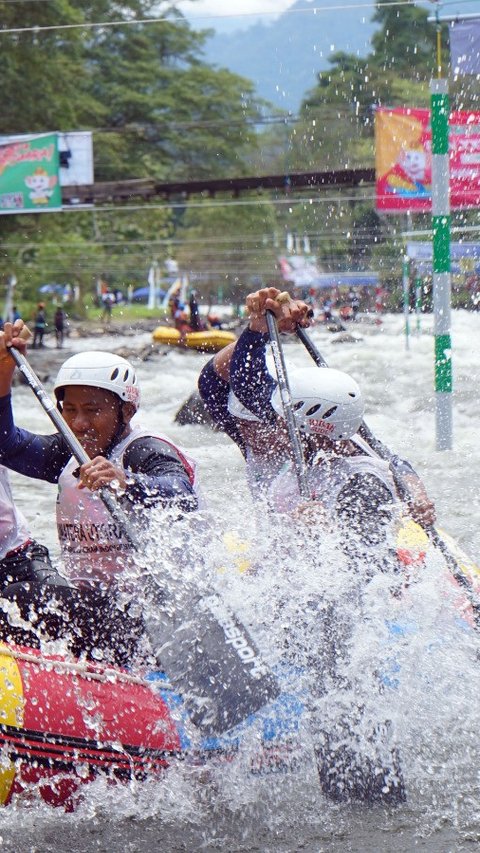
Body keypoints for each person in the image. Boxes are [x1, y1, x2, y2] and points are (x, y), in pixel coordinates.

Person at [0, 325, 199, 663]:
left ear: (127, 411)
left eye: (93, 410)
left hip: (156, 617)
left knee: (17, 599)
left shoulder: (144, 450)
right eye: (70, 409)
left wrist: (124, 482)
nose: (78, 423)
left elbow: (181, 493)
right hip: (100, 607)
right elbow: (7, 445)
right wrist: (4, 371)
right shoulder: (68, 452)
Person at [198, 287, 435, 528]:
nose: (248, 434)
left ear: (314, 429)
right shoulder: (271, 417)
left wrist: (417, 498)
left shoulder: (342, 446)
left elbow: (392, 464)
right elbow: (216, 379)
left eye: (256, 424)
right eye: (246, 423)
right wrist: (263, 327)